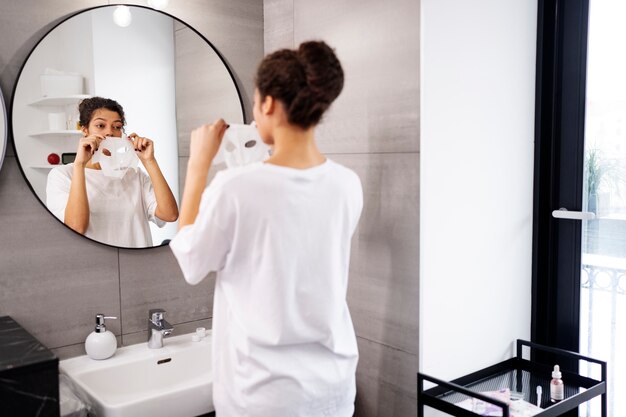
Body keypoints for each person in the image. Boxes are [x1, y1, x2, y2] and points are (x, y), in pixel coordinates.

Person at [169, 41, 363, 416]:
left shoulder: (235, 187)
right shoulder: (347, 184)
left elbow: (191, 261)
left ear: (269, 103)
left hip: (263, 395)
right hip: (332, 390)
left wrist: (198, 165)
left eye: (257, 102)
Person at [46, 97, 178, 247]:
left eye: (117, 127)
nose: (110, 132)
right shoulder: (62, 175)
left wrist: (150, 161)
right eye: (100, 125)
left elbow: (170, 215)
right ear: (84, 130)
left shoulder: (135, 175)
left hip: (140, 265)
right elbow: (76, 227)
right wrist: (79, 165)